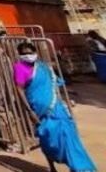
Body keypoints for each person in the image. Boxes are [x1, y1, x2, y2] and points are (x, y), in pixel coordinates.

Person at [13, 42, 96, 172]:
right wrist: (29, 111)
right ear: (19, 55)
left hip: (56, 108)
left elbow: (55, 84)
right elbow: (19, 89)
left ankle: (80, 167)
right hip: (38, 109)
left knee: (68, 136)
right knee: (47, 138)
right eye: (24, 53)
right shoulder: (19, 68)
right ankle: (52, 166)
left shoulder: (43, 67)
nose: (28, 55)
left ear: (35, 53)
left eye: (30, 52)